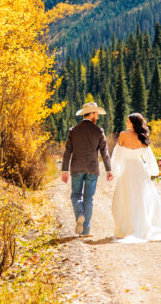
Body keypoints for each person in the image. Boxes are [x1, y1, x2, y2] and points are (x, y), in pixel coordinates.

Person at [111, 112, 161, 242]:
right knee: (142, 199)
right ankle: (142, 228)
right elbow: (149, 157)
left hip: (127, 170)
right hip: (139, 170)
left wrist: (115, 170)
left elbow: (117, 155)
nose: (126, 123)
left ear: (133, 123)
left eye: (128, 121)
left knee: (124, 198)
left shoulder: (122, 135)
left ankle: (125, 229)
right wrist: (154, 171)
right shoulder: (142, 137)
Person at [61, 101, 113, 237]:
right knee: (88, 198)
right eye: (97, 114)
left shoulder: (73, 130)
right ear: (92, 114)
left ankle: (80, 214)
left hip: (77, 168)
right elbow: (104, 152)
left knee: (76, 195)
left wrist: (64, 170)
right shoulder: (98, 131)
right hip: (92, 169)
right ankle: (85, 231)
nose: (98, 117)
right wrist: (109, 170)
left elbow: (67, 152)